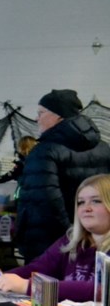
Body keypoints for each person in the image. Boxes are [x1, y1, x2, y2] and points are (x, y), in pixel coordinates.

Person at [0, 173, 110, 302]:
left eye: (96, 201)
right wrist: (1, 277)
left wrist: (28, 286)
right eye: (80, 202)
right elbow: (37, 268)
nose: (86, 208)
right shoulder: (70, 240)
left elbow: (101, 291)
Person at [16, 89, 110, 262]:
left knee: (44, 287)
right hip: (94, 237)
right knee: (85, 285)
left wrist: (71, 236)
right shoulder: (103, 147)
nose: (37, 118)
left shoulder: (44, 151)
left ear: (59, 115)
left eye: (41, 113)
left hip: (49, 241)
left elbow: (47, 201)